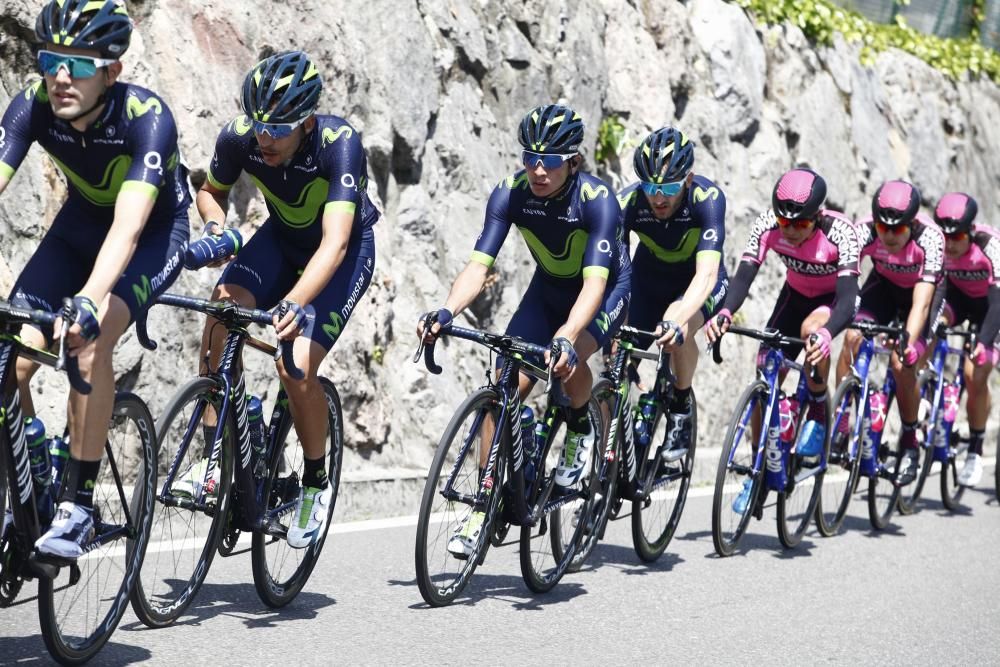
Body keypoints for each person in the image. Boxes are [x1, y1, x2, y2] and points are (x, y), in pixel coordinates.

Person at [0, 0, 190, 558]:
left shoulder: (147, 119)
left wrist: (87, 299)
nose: (61, 76)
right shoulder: (31, 106)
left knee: (87, 343)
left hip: (151, 236)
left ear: (112, 71)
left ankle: (80, 504)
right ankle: (30, 473)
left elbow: (129, 230)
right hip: (80, 226)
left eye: (79, 65)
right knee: (10, 358)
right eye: (51, 59)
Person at [418, 104, 631, 557]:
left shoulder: (598, 200)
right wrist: (447, 311)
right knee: (503, 386)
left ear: (573, 160)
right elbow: (479, 267)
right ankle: (483, 504)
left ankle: (579, 433)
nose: (537, 169)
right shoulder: (510, 193)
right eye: (529, 157)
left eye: (550, 160)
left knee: (567, 361)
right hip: (548, 290)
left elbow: (594, 283)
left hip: (605, 291)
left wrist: (569, 335)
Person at [188, 50, 378, 548]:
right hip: (281, 238)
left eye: (280, 127)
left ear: (308, 120)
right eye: (259, 126)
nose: (265, 138)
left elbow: (335, 243)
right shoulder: (239, 136)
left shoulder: (340, 145)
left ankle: (315, 481)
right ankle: (216, 463)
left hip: (341, 254)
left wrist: (293, 302)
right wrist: (215, 227)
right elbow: (210, 191)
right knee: (219, 314)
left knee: (294, 365)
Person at [705, 168, 861, 507]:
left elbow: (849, 301)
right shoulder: (768, 225)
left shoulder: (841, 233)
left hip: (831, 302)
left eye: (800, 225)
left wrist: (825, 332)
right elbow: (744, 277)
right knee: (764, 370)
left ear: (817, 218)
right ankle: (758, 471)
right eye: (784, 222)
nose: (789, 231)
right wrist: (725, 312)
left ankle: (819, 409)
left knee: (811, 333)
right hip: (794, 295)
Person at [618, 127, 728, 462]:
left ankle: (680, 406)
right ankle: (606, 461)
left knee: (675, 327)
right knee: (617, 360)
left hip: (697, 283)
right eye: (650, 187)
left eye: (668, 187)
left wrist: (679, 319)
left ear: (688, 178)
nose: (658, 197)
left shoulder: (706, 200)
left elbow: (707, 273)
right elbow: (614, 272)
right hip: (648, 282)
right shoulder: (629, 202)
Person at [833, 180, 944, 484]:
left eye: (898, 229)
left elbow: (921, 306)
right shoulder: (864, 230)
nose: (890, 235)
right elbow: (847, 282)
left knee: (901, 362)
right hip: (882, 286)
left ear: (911, 224)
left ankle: (909, 441)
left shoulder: (930, 238)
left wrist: (907, 341)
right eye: (884, 228)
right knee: (853, 338)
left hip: (921, 295)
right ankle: (841, 427)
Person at [934, 192, 999, 487]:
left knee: (974, 374)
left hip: (991, 308)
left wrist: (984, 342)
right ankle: (926, 391)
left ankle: (975, 448)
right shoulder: (940, 244)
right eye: (944, 235)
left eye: (957, 235)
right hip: (957, 301)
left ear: (971, 231)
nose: (949, 243)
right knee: (931, 328)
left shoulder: (990, 246)